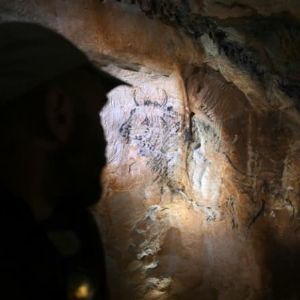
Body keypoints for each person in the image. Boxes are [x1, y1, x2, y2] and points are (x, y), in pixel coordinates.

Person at [0, 22, 129, 300]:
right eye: (95, 114)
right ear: (58, 113)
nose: (104, 139)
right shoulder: (70, 234)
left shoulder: (70, 224)